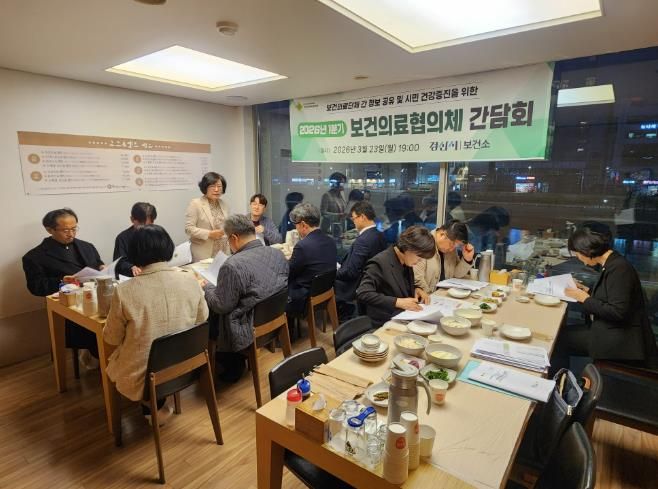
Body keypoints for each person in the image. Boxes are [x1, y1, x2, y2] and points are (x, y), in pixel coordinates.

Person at [104, 225, 208, 424]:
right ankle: (156, 405)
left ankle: (150, 405)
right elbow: (202, 318)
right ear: (168, 248)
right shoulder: (190, 280)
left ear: (134, 254)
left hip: (145, 377)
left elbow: (111, 338)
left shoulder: (124, 291)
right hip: (186, 365)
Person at [553, 229, 658, 370]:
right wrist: (586, 292)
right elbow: (610, 296)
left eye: (577, 255)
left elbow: (618, 312)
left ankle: (559, 379)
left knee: (557, 340)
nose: (579, 259)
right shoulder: (612, 263)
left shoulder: (619, 269)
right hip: (612, 330)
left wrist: (585, 299)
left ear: (586, 250)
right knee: (561, 335)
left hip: (621, 339)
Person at [201, 215, 289, 382]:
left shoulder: (233, 265)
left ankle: (225, 366)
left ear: (234, 238)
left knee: (210, 316)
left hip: (247, 326)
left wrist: (207, 287)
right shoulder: (277, 253)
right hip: (274, 318)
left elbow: (222, 305)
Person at [22, 208, 104, 366]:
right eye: (66, 230)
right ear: (49, 230)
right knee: (97, 330)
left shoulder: (87, 246)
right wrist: (61, 281)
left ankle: (111, 357)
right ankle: (102, 357)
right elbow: (35, 287)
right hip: (69, 309)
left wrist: (101, 267)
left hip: (96, 298)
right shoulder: (35, 256)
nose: (71, 234)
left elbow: (97, 263)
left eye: (74, 229)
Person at [356, 226, 436, 328]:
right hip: (383, 322)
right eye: (419, 257)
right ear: (408, 248)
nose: (420, 261)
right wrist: (398, 302)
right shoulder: (380, 262)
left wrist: (417, 289)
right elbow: (363, 293)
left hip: (403, 316)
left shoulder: (405, 260)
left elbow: (398, 284)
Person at [334, 201, 387, 317]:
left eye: (354, 218)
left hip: (355, 285)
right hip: (373, 282)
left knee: (325, 280)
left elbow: (351, 272)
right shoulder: (380, 235)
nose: (353, 221)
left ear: (362, 217)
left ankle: (339, 314)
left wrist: (334, 272)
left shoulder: (363, 240)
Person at [287, 202, 337, 314]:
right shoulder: (330, 240)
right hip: (325, 292)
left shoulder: (302, 246)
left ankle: (288, 325)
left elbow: (289, 273)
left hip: (305, 298)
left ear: (303, 225)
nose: (296, 228)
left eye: (296, 225)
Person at [413, 222, 475, 294]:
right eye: (451, 244)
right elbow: (417, 280)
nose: (452, 249)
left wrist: (467, 259)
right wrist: (430, 297)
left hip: (445, 294)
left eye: (456, 246)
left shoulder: (451, 249)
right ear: (442, 234)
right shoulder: (423, 244)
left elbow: (457, 275)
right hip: (429, 296)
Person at [185, 172, 230, 261]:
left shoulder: (223, 204)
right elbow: (189, 229)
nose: (216, 189)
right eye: (212, 186)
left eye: (219, 186)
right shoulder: (196, 204)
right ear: (205, 187)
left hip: (223, 251)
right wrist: (209, 234)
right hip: (204, 253)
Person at [113, 202, 157, 277]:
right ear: (132, 219)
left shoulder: (156, 235)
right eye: (142, 225)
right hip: (133, 277)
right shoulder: (122, 238)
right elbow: (119, 263)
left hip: (154, 274)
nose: (145, 229)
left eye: (148, 225)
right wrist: (131, 267)